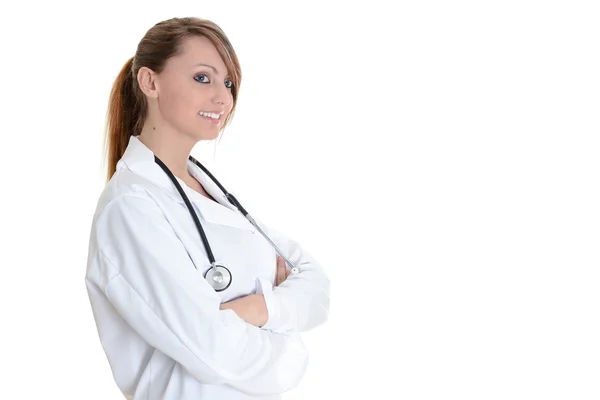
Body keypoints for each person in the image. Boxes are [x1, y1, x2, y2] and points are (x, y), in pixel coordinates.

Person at [84, 17, 331, 400]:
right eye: (203, 78)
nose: (223, 98)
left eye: (228, 83)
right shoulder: (130, 208)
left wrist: (254, 309)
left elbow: (317, 286)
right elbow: (215, 352)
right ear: (150, 82)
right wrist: (289, 345)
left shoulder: (210, 192)